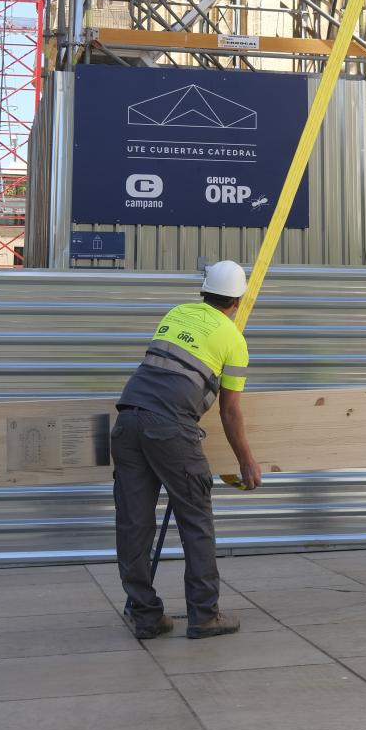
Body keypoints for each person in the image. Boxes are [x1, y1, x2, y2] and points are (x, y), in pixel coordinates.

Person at [111, 260, 262, 640]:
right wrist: (247, 460)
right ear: (239, 302)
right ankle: (204, 615)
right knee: (196, 522)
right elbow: (230, 411)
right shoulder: (234, 340)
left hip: (128, 420)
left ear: (204, 292)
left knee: (133, 524)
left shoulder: (176, 313)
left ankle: (145, 616)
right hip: (171, 429)